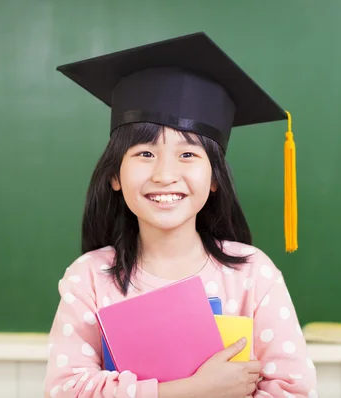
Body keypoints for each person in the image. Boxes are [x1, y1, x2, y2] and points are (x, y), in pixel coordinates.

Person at [43, 32, 316, 398]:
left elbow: (293, 390)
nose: (165, 174)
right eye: (144, 154)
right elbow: (66, 391)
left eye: (188, 155)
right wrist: (190, 390)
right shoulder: (90, 279)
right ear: (114, 176)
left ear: (215, 177)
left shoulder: (251, 275)